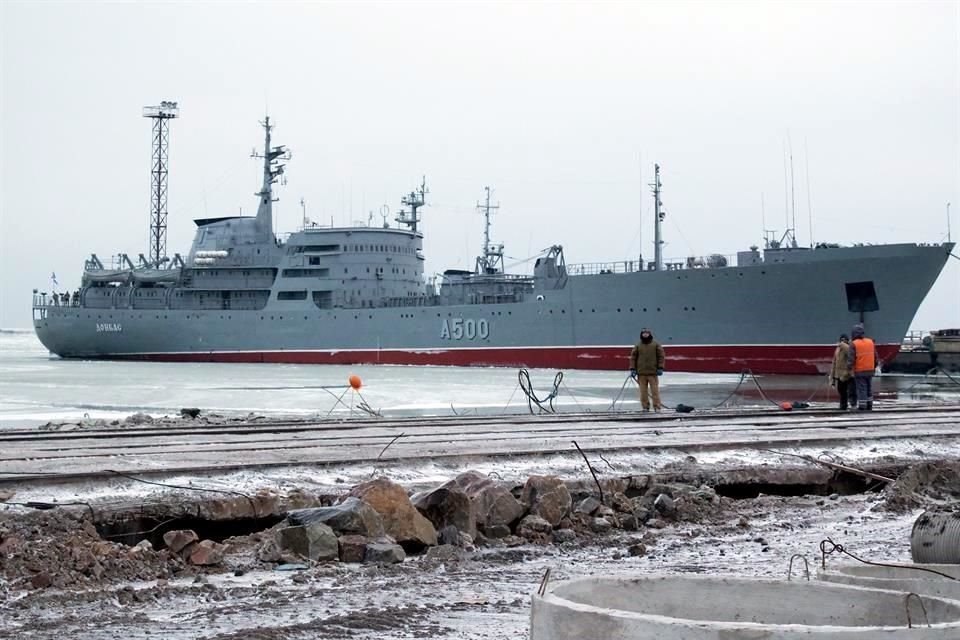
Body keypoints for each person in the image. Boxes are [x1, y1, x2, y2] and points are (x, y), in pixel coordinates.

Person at [629, 327, 665, 412]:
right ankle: (645, 407)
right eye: (643, 333)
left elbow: (661, 356)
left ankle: (657, 407)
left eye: (647, 333)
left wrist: (660, 367)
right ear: (641, 334)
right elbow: (633, 357)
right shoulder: (638, 345)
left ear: (649, 334)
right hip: (641, 373)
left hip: (653, 373)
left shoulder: (656, 344)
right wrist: (632, 368)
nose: (645, 334)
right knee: (643, 393)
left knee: (655, 392)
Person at [847, 323, 880, 410]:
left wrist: (849, 368)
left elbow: (851, 358)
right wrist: (874, 366)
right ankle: (869, 405)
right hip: (870, 369)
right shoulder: (870, 342)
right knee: (869, 388)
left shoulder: (854, 344)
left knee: (862, 389)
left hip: (860, 370)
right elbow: (875, 357)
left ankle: (862, 406)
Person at [830, 334, 853, 410]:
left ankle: (844, 405)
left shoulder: (847, 348)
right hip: (838, 373)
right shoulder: (838, 349)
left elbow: (850, 352)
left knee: (844, 390)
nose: (842, 341)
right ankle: (842, 403)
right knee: (840, 389)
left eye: (844, 339)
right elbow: (834, 362)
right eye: (841, 340)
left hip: (845, 373)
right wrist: (832, 376)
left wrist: (843, 344)